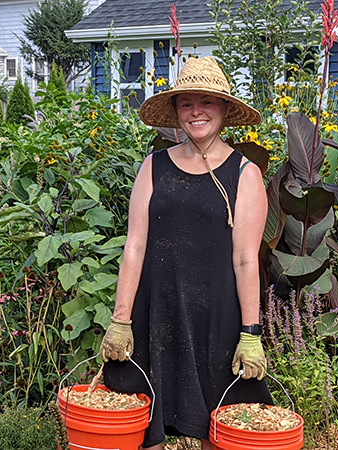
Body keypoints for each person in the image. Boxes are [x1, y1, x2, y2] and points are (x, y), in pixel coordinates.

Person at [99, 55, 273, 450]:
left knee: (220, 426)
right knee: (145, 424)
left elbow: (247, 259)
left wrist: (251, 333)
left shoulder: (244, 174)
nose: (196, 112)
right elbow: (135, 245)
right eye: (186, 103)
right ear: (176, 112)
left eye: (206, 102)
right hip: (156, 311)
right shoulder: (153, 167)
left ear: (225, 109)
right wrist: (121, 319)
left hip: (217, 316)